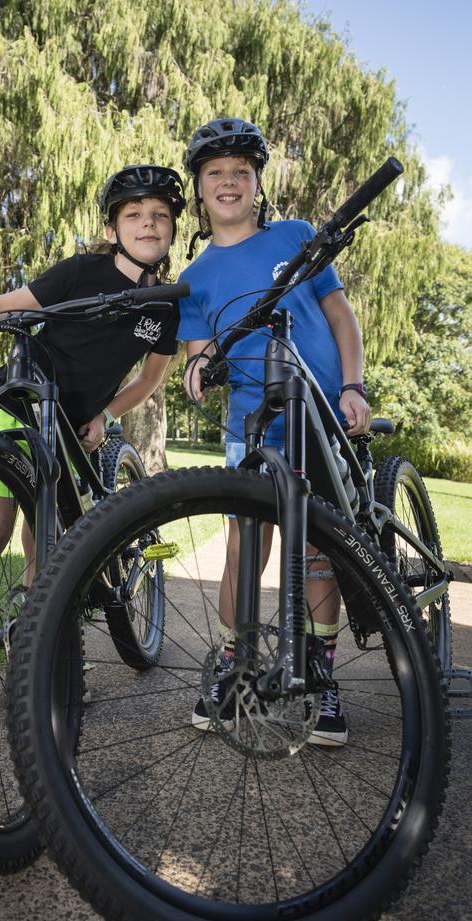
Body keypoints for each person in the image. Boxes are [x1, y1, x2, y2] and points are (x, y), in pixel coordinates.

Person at [0, 163, 186, 724]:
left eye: (160, 215)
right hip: (23, 403)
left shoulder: (166, 304)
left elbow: (149, 379)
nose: (148, 223)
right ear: (114, 226)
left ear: (171, 229)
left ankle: (36, 646)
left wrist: (105, 415)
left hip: (72, 425)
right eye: (134, 214)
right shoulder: (81, 271)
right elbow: (1, 306)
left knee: (46, 536)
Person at [178, 118, 370, 747]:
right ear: (201, 191)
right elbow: (200, 356)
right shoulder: (195, 277)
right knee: (246, 545)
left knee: (318, 547)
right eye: (215, 174)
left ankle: (320, 671)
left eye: (241, 172)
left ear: (256, 183)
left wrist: (353, 387)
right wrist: (199, 368)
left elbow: (341, 318)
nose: (228, 182)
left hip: (323, 413)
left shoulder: (297, 236)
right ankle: (235, 664)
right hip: (254, 425)